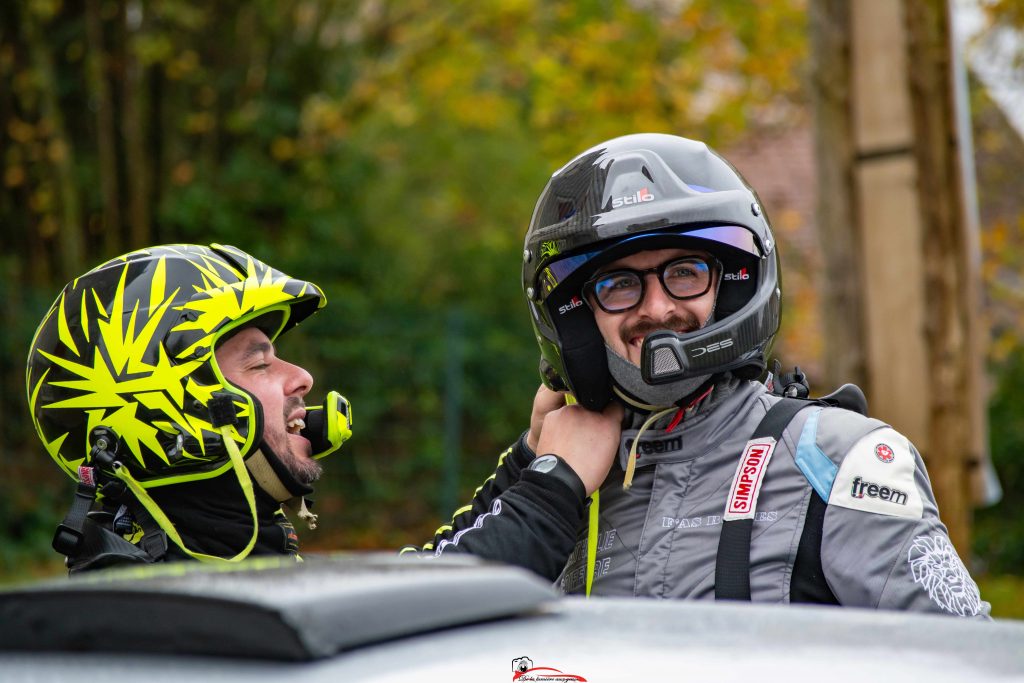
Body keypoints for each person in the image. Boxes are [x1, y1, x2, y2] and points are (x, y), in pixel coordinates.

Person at [408, 133, 990, 618]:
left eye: (684, 273)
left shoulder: (837, 460)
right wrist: (540, 473)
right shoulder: (557, 476)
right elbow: (411, 621)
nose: (658, 309)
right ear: (580, 319)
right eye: (619, 285)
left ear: (730, 285)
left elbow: (962, 661)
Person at [27, 243, 352, 572]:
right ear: (168, 406)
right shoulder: (137, 616)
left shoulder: (241, 588)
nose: (302, 377)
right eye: (259, 364)